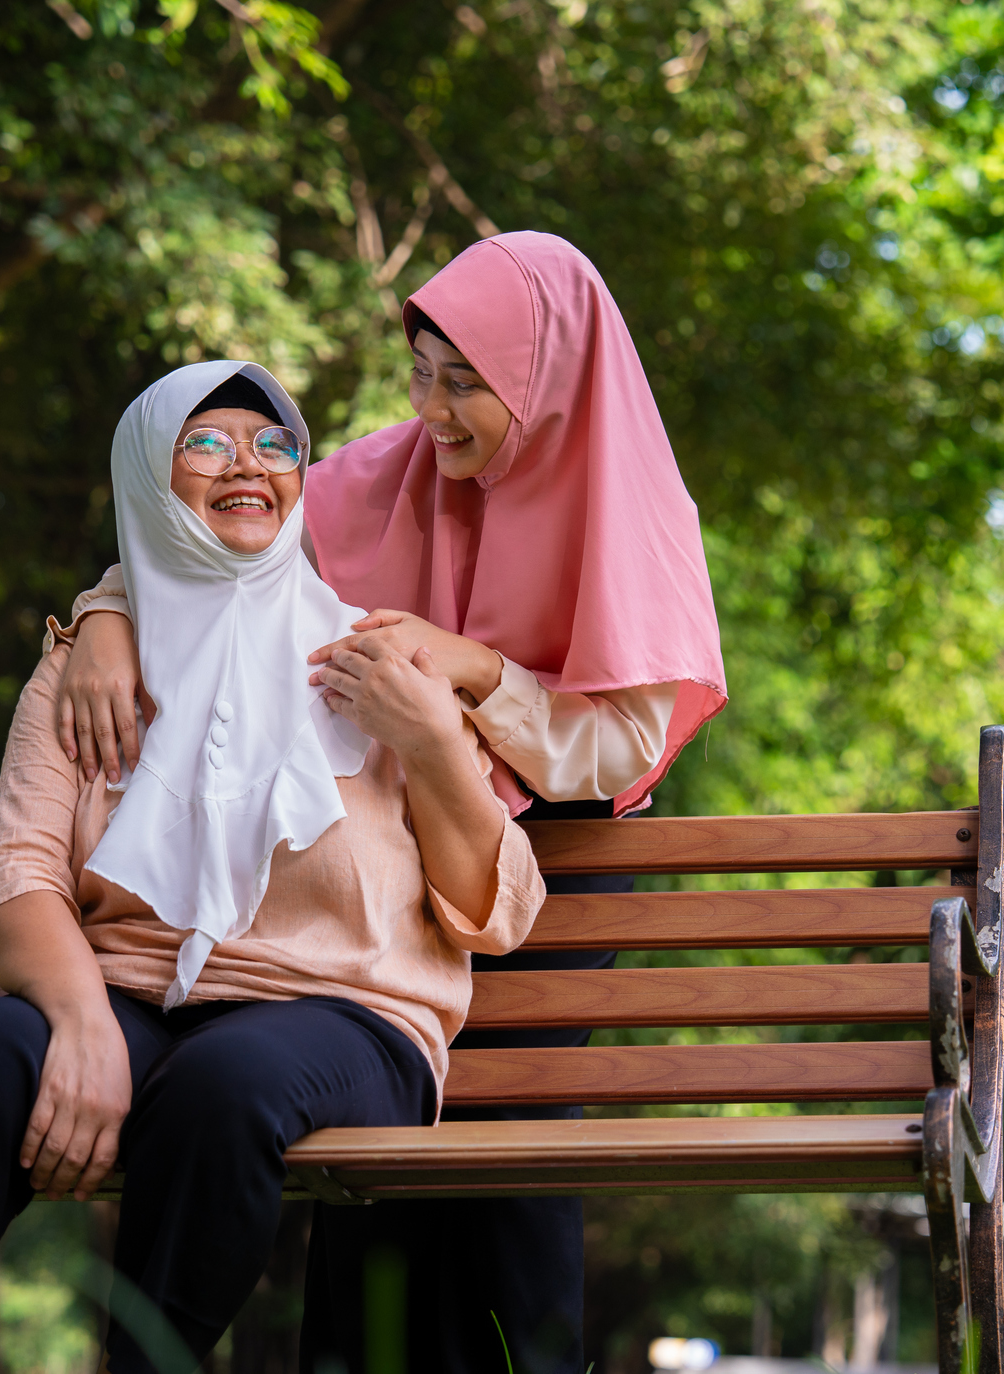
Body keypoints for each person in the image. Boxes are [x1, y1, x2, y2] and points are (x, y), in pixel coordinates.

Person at [48, 233, 728, 1373]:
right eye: (422, 372)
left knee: (507, 1174)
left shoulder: (637, 514)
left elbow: (618, 746)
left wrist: (468, 672)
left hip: (550, 878)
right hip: (397, 860)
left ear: (546, 373)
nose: (435, 409)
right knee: (370, 1166)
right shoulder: (373, 477)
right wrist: (104, 615)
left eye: (466, 381)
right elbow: (209, 541)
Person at [0, 361, 545, 1374]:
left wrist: (428, 742)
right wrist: (77, 1023)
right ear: (151, 480)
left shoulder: (380, 664)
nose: (248, 462)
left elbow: (490, 913)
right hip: (131, 1000)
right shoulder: (87, 668)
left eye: (275, 442)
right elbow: (21, 874)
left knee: (221, 1084)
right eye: (206, 442)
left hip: (347, 1016)